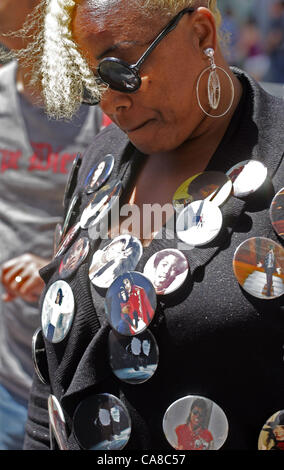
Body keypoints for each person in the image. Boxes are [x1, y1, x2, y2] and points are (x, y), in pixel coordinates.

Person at [19, 0, 284, 451]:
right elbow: (54, 378)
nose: (111, 101)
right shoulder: (99, 161)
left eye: (122, 72)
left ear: (201, 34)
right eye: (91, 81)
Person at [0, 0, 103, 450]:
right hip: (5, 375)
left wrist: (51, 268)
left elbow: (131, 223)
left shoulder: (103, 109)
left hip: (74, 370)